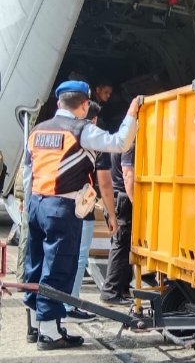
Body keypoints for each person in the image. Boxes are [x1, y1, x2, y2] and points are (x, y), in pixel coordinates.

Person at [23, 81, 139, 349]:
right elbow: (120, 142)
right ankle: (50, 332)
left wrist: (29, 206)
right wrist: (131, 112)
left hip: (36, 205)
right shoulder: (82, 129)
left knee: (36, 265)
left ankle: (34, 324)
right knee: (58, 267)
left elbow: (29, 174)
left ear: (58, 103)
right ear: (85, 105)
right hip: (61, 210)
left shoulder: (37, 131)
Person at [63, 102, 118, 321]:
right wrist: (111, 215)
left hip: (56, 206)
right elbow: (104, 183)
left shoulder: (63, 135)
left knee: (59, 257)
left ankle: (54, 305)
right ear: (92, 120)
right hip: (80, 209)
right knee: (78, 258)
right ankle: (70, 305)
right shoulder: (93, 141)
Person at [101, 143, 135, 304]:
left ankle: (122, 288)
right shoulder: (130, 144)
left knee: (122, 244)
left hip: (114, 198)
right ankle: (111, 292)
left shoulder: (117, 142)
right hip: (122, 198)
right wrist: (136, 202)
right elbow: (128, 175)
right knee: (121, 245)